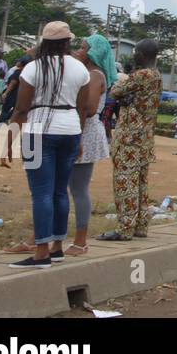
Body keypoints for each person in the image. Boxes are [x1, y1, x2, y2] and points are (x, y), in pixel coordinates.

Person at [8, 21, 90, 268]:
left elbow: (22, 108)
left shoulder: (32, 69)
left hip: (37, 132)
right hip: (70, 130)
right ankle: (57, 248)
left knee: (41, 193)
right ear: (67, 42)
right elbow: (83, 108)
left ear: (44, 42)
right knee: (59, 190)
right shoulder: (80, 69)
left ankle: (41, 253)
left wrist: (8, 141)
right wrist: (80, 139)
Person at [100, 39, 162, 241]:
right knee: (141, 184)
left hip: (129, 138)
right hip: (145, 137)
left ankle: (125, 228)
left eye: (136, 52)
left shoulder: (141, 75)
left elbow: (115, 91)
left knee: (125, 182)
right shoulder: (157, 75)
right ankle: (141, 225)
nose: (133, 55)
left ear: (142, 55)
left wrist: (122, 96)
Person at [65, 34, 113, 256]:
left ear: (93, 52)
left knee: (78, 189)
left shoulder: (95, 75)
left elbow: (90, 108)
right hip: (81, 130)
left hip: (84, 132)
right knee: (71, 188)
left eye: (83, 47)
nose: (78, 50)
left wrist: (77, 136)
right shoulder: (88, 73)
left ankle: (80, 241)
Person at [0, 53, 33, 168]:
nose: (17, 62)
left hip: (15, 100)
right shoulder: (32, 73)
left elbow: (12, 84)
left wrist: (5, 93)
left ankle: (1, 128)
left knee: (8, 115)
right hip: (25, 103)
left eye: (19, 61)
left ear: (22, 63)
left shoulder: (19, 73)